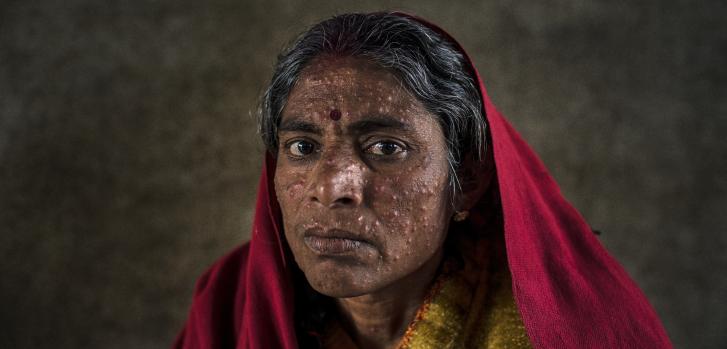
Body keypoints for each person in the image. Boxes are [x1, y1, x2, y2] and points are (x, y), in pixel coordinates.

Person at [173, 12, 672, 349]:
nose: (333, 186)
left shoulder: (567, 330)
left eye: (387, 148)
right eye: (303, 148)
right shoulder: (230, 302)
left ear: (468, 178)